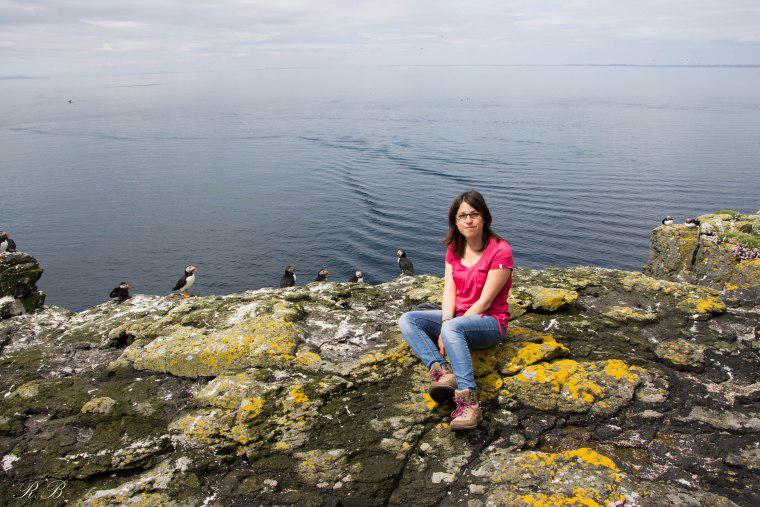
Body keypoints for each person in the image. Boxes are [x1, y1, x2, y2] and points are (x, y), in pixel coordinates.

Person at [398, 190, 513, 430]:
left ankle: (469, 403)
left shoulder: (500, 250)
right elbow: (449, 291)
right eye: (462, 216)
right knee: (409, 319)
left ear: (484, 218)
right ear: (455, 221)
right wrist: (446, 322)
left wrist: (447, 328)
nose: (468, 220)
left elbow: (484, 301)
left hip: (489, 322)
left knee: (451, 327)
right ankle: (442, 371)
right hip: (458, 319)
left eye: (474, 214)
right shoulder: (454, 249)